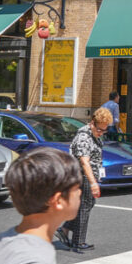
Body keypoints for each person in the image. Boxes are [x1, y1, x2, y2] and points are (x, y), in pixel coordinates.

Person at [56, 107, 111, 253]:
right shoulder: (84, 138)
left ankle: (65, 229)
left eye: (104, 130)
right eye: (99, 129)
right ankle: (78, 241)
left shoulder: (93, 135)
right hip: (82, 175)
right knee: (85, 205)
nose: (101, 133)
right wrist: (93, 183)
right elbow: (85, 162)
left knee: (86, 204)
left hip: (87, 174)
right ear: (92, 123)